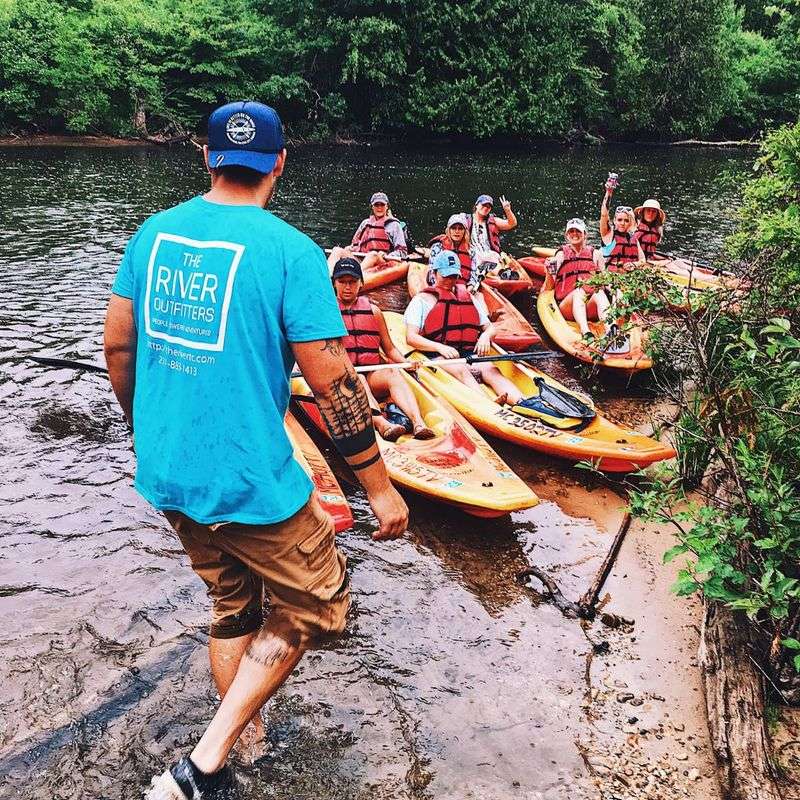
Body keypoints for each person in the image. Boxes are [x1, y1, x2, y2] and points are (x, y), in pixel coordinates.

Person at [104, 100, 408, 800]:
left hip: (169, 474)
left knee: (233, 604)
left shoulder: (152, 234)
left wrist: (143, 428)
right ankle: (203, 766)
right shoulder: (291, 252)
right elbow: (334, 384)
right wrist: (379, 487)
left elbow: (119, 346)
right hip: (246, 481)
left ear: (207, 157)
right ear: (278, 162)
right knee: (314, 603)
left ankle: (249, 739)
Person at [404, 250, 526, 406]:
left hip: (466, 352)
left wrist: (485, 336)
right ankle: (488, 404)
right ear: (434, 273)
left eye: (454, 276)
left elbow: (490, 328)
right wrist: (440, 347)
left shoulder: (468, 298)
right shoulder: (421, 300)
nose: (450, 281)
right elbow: (411, 337)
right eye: (445, 276)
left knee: (491, 369)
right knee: (462, 371)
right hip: (436, 354)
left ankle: (522, 402)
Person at [332, 257, 435, 441]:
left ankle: (418, 422)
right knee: (359, 379)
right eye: (342, 281)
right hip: (342, 379)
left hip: (371, 374)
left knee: (392, 373)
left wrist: (405, 363)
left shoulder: (374, 312)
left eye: (352, 282)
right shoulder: (327, 314)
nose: (347, 287)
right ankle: (382, 424)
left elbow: (389, 349)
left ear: (361, 283)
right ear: (334, 283)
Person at [545, 218, 610, 339]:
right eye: (571, 231)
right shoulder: (561, 255)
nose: (575, 234)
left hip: (589, 305)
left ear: (585, 234)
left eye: (578, 231)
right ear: (567, 235)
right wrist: (548, 271)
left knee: (599, 292)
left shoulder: (596, 254)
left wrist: (617, 294)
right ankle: (585, 332)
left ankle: (611, 330)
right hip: (567, 306)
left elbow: (606, 282)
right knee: (579, 292)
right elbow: (549, 287)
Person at [327, 192, 407, 273]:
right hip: (363, 259)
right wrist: (349, 248)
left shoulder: (394, 225)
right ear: (372, 207)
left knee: (373, 254)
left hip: (382, 261)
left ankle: (356, 276)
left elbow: (402, 251)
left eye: (382, 205)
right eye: (376, 205)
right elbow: (355, 245)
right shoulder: (365, 223)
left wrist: (388, 256)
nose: (379, 208)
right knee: (337, 250)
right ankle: (327, 277)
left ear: (387, 206)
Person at [599, 178, 645, 272]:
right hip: (611, 278)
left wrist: (634, 264)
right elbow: (604, 214)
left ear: (630, 223)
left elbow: (643, 260)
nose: (622, 223)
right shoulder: (608, 235)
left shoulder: (634, 239)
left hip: (630, 278)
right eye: (619, 220)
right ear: (615, 221)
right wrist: (609, 193)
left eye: (626, 220)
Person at [465, 193, 517, 259]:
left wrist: (508, 210)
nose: (486, 208)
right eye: (483, 205)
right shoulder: (465, 219)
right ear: (476, 205)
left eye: (489, 206)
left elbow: (512, 224)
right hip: (472, 257)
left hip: (491, 256)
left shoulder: (494, 221)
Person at [428, 214, 472, 283]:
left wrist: (471, 286)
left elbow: (474, 273)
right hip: (442, 284)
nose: (457, 231)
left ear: (465, 231)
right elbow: (432, 270)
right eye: (453, 228)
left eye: (460, 228)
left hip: (463, 287)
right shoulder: (438, 247)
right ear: (449, 230)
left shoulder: (471, 250)